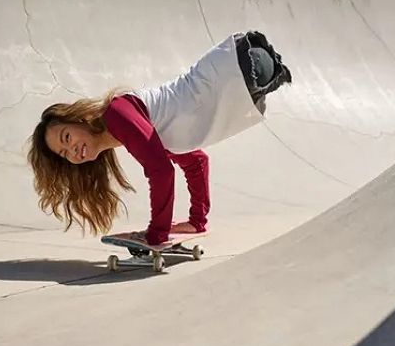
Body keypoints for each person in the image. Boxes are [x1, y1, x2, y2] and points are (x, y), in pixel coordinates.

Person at [27, 31, 292, 247]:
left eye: (66, 137)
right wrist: (196, 221)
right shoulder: (150, 128)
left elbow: (161, 171)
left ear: (80, 121)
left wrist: (157, 234)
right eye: (64, 153)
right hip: (241, 73)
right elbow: (196, 162)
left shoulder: (118, 115)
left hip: (236, 69)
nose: (72, 150)